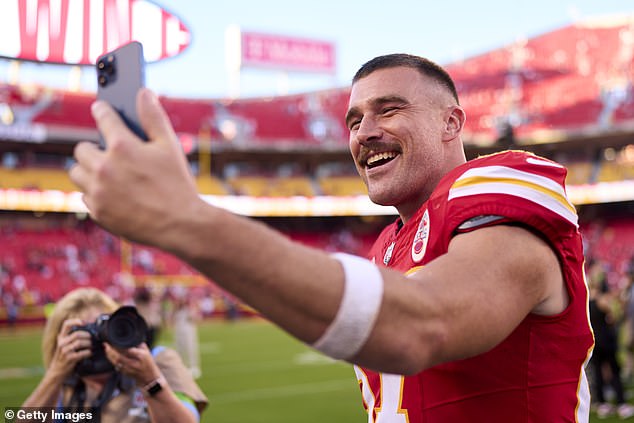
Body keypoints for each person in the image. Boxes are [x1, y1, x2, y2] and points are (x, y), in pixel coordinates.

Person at [69, 53, 594, 421]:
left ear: (452, 122)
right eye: (354, 119)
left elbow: (424, 325)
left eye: (389, 109)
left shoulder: (503, 182)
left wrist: (184, 220)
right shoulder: (388, 244)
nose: (364, 132)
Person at [22, 287, 207, 423]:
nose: (97, 342)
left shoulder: (158, 361)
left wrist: (150, 380)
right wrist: (55, 375)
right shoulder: (69, 387)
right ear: (60, 342)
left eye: (102, 329)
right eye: (83, 333)